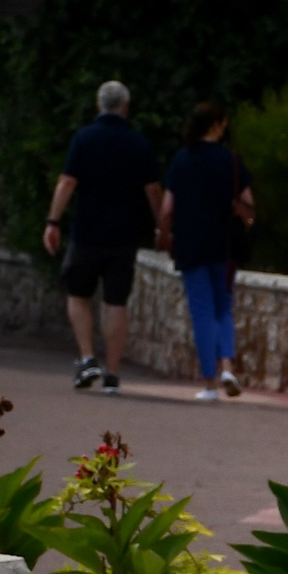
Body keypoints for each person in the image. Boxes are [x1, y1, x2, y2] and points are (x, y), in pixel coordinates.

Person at [43, 80, 161, 393]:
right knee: (116, 302)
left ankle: (87, 356)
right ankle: (112, 372)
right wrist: (162, 225)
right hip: (124, 236)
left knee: (78, 294)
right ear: (125, 106)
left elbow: (67, 182)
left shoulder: (84, 139)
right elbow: (152, 189)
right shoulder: (138, 144)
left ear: (99, 105)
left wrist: (53, 221)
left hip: (87, 233)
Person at [156, 99, 252, 400]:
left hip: (191, 244)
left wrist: (164, 234)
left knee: (201, 311)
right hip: (224, 245)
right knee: (224, 308)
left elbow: (167, 207)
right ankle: (227, 365)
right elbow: (250, 208)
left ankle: (210, 383)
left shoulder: (182, 160)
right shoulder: (232, 161)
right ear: (216, 125)